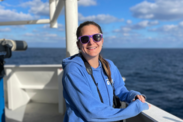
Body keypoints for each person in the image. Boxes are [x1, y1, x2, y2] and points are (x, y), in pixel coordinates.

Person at [62, 21, 150, 122]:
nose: (91, 42)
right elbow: (92, 113)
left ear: (102, 40)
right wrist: (137, 107)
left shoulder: (109, 65)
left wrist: (133, 96)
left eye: (96, 37)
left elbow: (120, 90)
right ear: (78, 44)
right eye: (85, 39)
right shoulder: (73, 70)